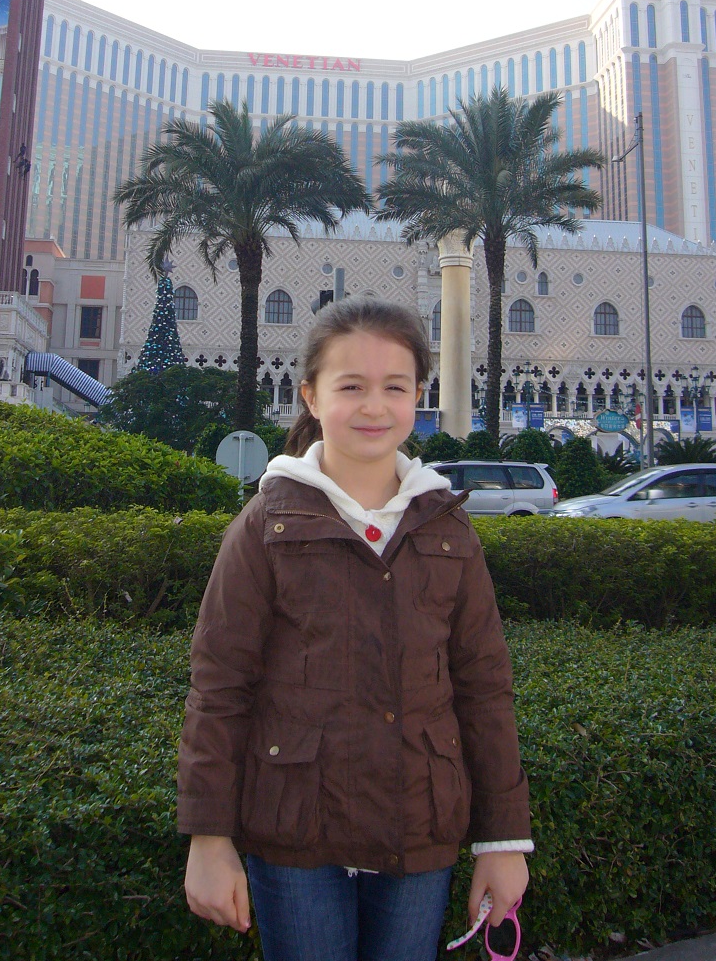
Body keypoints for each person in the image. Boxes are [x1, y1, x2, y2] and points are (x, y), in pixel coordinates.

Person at [179, 295, 531, 961]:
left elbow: (485, 689)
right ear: (311, 396)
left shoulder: (447, 530)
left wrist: (503, 841)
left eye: (394, 387)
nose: (374, 406)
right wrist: (208, 837)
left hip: (419, 828)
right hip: (295, 834)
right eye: (351, 387)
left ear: (419, 396)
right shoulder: (265, 527)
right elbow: (220, 688)